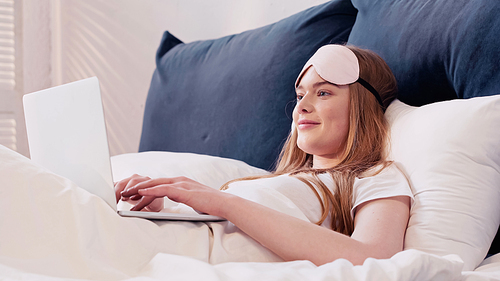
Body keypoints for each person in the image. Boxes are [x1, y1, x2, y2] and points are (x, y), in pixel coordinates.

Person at [115, 44, 413, 266]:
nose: (301, 107)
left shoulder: (375, 176)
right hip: (162, 248)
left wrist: (222, 202)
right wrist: (162, 209)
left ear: (362, 105)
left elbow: (375, 260)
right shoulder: (277, 181)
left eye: (323, 93)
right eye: (300, 95)